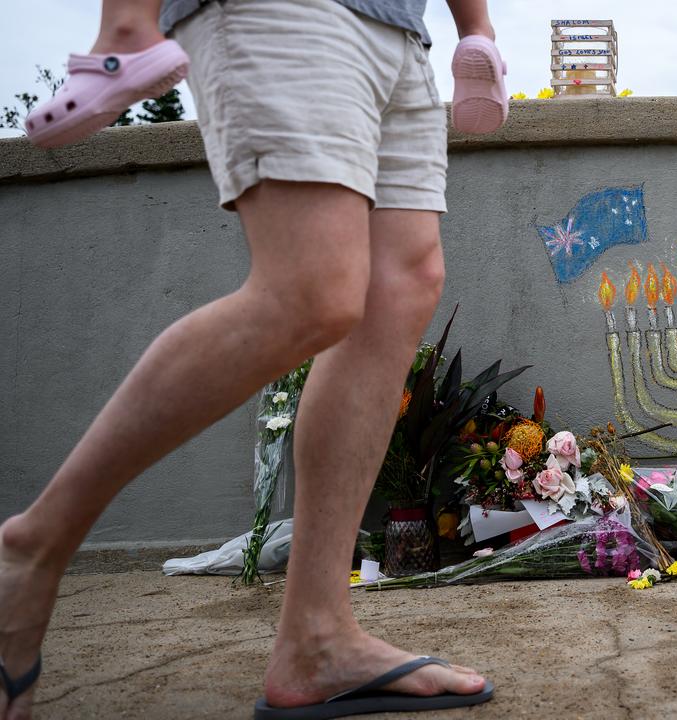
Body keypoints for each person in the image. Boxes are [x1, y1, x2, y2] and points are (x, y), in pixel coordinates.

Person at [1, 1, 508, 718]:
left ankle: (317, 639)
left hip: (397, 28)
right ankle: (30, 549)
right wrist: (126, 22)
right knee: (311, 291)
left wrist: (474, 28)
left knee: (398, 290)